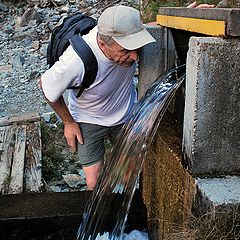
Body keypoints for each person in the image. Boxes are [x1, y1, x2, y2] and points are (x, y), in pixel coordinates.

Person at [39, 5, 156, 190]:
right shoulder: (75, 61)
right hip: (88, 119)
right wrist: (68, 122)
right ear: (103, 44)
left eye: (137, 47)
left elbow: (150, 27)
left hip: (125, 115)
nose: (134, 56)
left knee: (130, 174)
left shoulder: (124, 40)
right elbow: (46, 86)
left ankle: (123, 210)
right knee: (94, 183)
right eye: (126, 51)